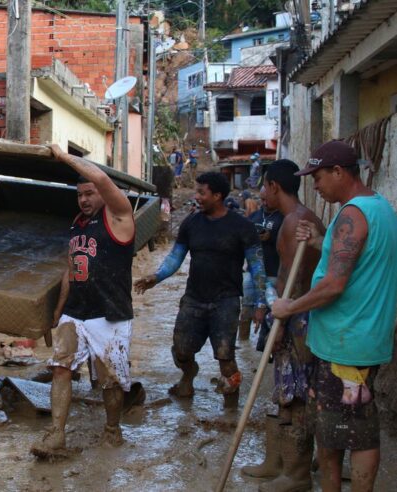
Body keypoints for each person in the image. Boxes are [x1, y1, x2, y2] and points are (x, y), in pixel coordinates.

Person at [272, 141, 397, 492]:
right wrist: (320, 240)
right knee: (338, 429)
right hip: (359, 337)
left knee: (354, 433)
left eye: (319, 177)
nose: (315, 185)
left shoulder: (352, 214)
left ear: (339, 172)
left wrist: (289, 307)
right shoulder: (378, 208)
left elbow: (334, 285)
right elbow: (357, 261)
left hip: (347, 343)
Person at [30, 144, 136, 459]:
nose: (84, 199)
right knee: (61, 368)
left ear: (103, 193)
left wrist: (63, 156)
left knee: (109, 380)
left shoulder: (119, 216)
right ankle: (57, 434)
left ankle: (112, 429)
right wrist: (58, 312)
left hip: (110, 313)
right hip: (76, 312)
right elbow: (70, 270)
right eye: (80, 195)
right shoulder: (77, 224)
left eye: (89, 193)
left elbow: (103, 180)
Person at [136, 172, 267, 408]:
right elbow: (176, 257)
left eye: (201, 192)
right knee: (181, 350)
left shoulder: (242, 227)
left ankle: (230, 408)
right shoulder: (191, 223)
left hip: (226, 302)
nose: (196, 197)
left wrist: (260, 303)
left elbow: (257, 267)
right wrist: (156, 277)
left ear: (217, 196)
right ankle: (188, 376)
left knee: (226, 357)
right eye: (196, 191)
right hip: (194, 299)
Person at [241, 159, 324, 490]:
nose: (261, 194)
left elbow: (293, 279)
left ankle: (298, 473)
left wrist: (278, 326)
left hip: (298, 319)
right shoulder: (300, 218)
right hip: (297, 313)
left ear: (274, 186)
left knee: (299, 393)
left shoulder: (295, 221)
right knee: (285, 392)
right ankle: (277, 462)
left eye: (262, 187)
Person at [238, 190, 282, 341]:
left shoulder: (283, 217)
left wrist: (271, 237)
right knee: (246, 309)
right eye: (262, 199)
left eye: (267, 199)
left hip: (274, 272)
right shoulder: (254, 216)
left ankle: (268, 346)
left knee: (273, 312)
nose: (264, 202)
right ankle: (242, 345)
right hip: (252, 272)